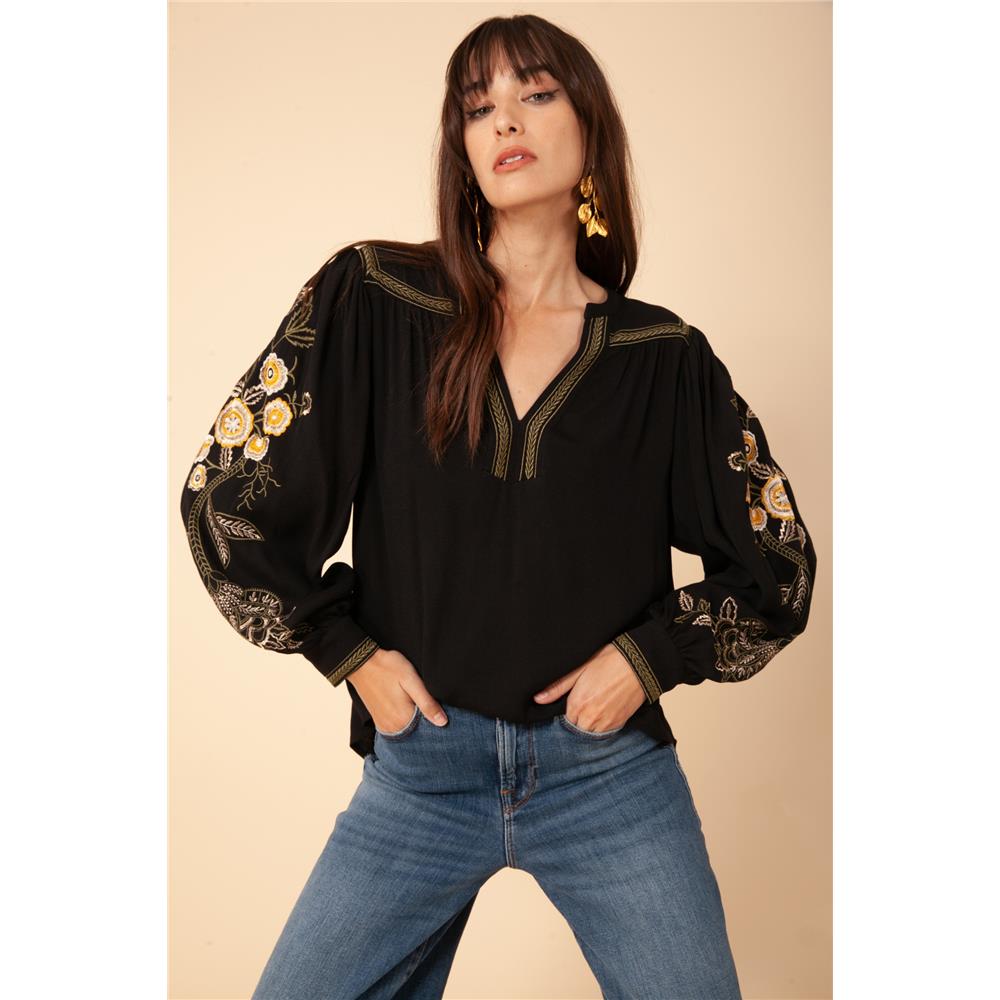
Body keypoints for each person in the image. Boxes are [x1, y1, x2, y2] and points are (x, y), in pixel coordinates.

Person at [179, 13, 817, 1000]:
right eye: (478, 108)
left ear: (590, 130)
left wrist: (649, 657)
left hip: (608, 780)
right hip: (423, 773)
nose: (505, 120)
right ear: (463, 147)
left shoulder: (662, 358)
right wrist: (347, 652)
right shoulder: (376, 298)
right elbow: (226, 498)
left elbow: (778, 566)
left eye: (536, 93)